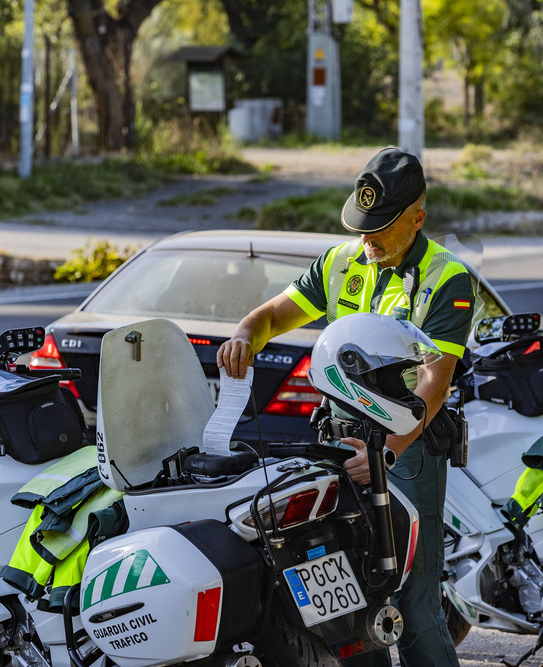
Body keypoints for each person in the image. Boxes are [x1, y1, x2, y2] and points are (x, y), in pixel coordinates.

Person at [217, 147, 473, 667]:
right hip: (338, 444)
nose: (366, 238)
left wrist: (391, 452)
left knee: (414, 602)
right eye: (361, 225)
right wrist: (246, 333)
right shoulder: (340, 263)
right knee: (348, 609)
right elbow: (272, 316)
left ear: (418, 218)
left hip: (407, 447)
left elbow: (435, 380)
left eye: (380, 227)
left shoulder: (447, 279)